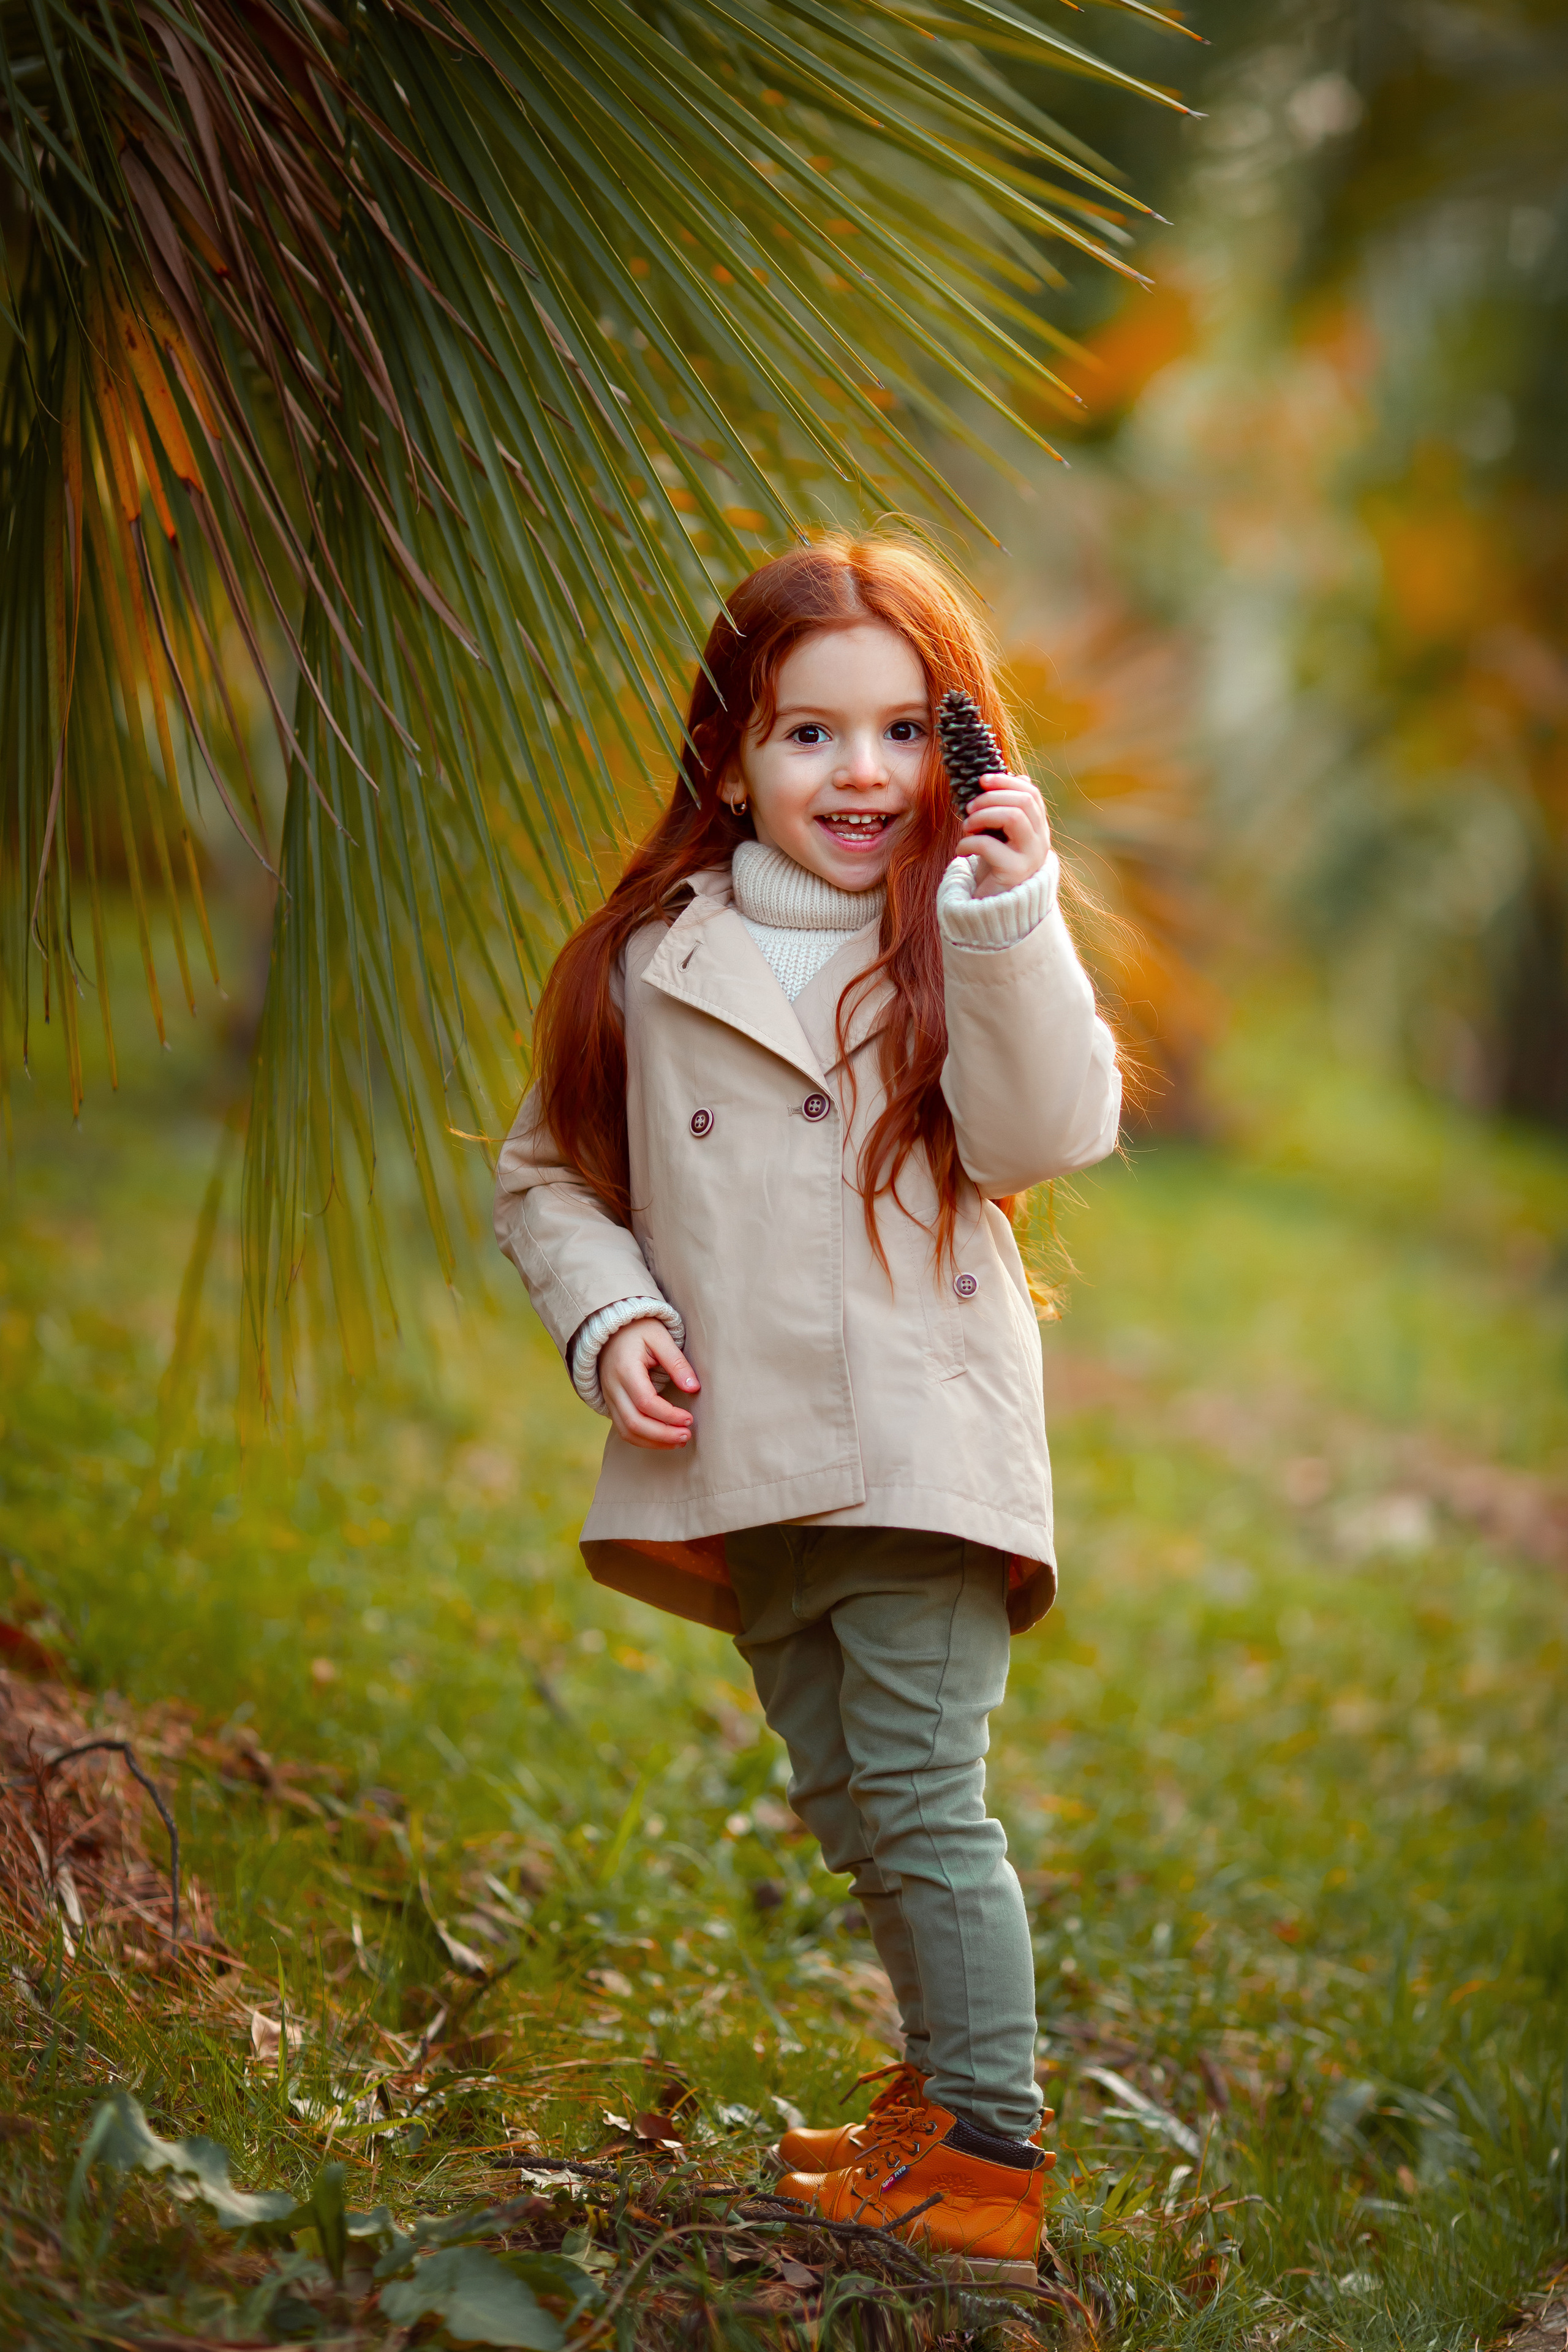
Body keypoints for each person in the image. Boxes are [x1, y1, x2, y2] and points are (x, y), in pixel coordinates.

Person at [493, 535, 1121, 2282]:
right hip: (750, 1463)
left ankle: (987, 2154)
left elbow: (1046, 1133)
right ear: (729, 760)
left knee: (924, 1798)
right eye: (810, 733)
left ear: (960, 753)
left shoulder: (960, 938)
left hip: (921, 1452)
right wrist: (612, 1310)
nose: (863, 773)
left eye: (908, 732)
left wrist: (1008, 915)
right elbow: (548, 1179)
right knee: (851, 1805)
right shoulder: (648, 962)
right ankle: (934, 2103)